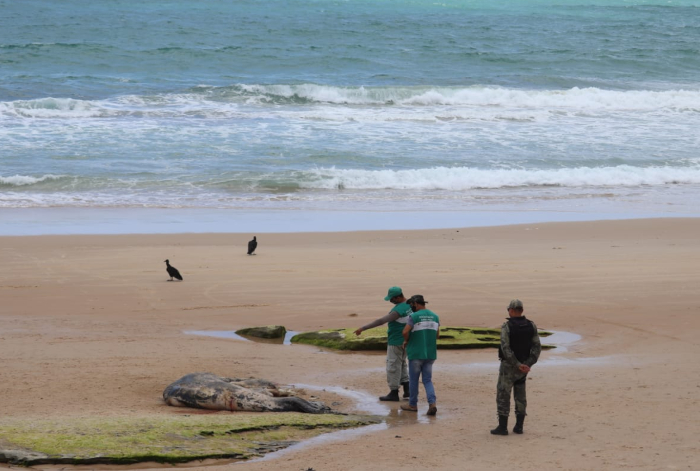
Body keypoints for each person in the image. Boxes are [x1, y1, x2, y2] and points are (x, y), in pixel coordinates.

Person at [491, 299, 542, 436]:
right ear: (522, 310)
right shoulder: (531, 325)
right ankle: (519, 426)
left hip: (509, 367)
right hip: (524, 367)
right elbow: (537, 347)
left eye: (509, 310)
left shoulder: (507, 326)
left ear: (512, 311)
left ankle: (503, 427)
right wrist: (528, 363)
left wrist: (518, 364)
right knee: (520, 396)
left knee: (503, 394)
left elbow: (505, 348)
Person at [354, 286, 412, 401]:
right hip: (407, 340)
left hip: (396, 340)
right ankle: (407, 389)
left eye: (392, 299)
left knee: (393, 365)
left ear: (398, 297)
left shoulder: (398, 310)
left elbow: (381, 321)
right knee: (402, 364)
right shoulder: (410, 305)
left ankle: (394, 392)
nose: (391, 301)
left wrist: (363, 328)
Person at [400, 295, 440, 416]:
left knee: (413, 380)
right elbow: (437, 335)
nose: (411, 307)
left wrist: (407, 340)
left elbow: (405, 331)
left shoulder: (414, 316)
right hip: (430, 353)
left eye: (412, 304)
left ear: (416, 304)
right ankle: (432, 404)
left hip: (416, 353)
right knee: (427, 380)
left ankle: (412, 404)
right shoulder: (435, 316)